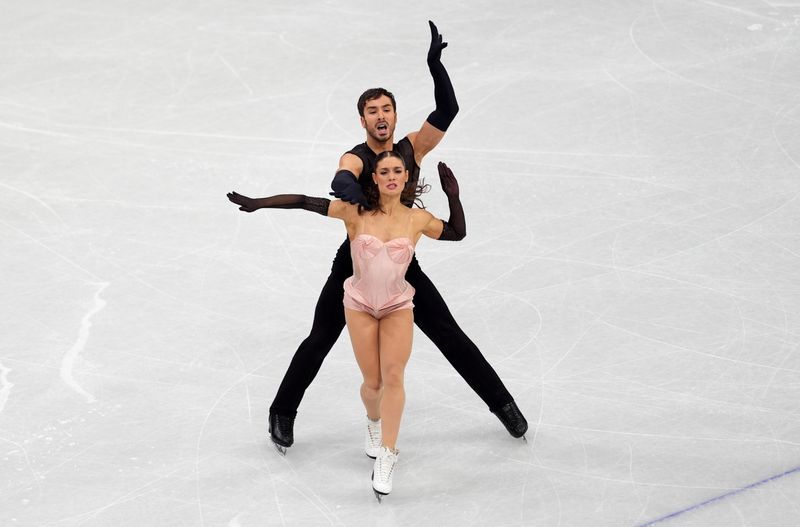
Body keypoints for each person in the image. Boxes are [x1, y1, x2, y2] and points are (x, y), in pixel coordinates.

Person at [232, 21, 528, 457]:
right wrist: (354, 195)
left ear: (394, 113)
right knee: (319, 339)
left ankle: (503, 404)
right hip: (354, 266)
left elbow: (447, 110)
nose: (381, 116)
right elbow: (340, 179)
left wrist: (434, 65)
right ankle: (282, 412)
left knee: (451, 335)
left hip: (401, 266)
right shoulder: (356, 157)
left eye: (387, 108)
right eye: (373, 111)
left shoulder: (412, 148)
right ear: (363, 119)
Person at [230, 154, 463, 499]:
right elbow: (304, 202)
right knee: (374, 384)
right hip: (361, 307)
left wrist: (453, 196)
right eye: (385, 171)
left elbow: (457, 233)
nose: (392, 176)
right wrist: (259, 203)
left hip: (398, 306)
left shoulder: (418, 219)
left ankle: (387, 454)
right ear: (375, 178)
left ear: (405, 177)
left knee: (394, 376)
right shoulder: (353, 212)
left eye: (398, 171)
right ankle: (373, 421)